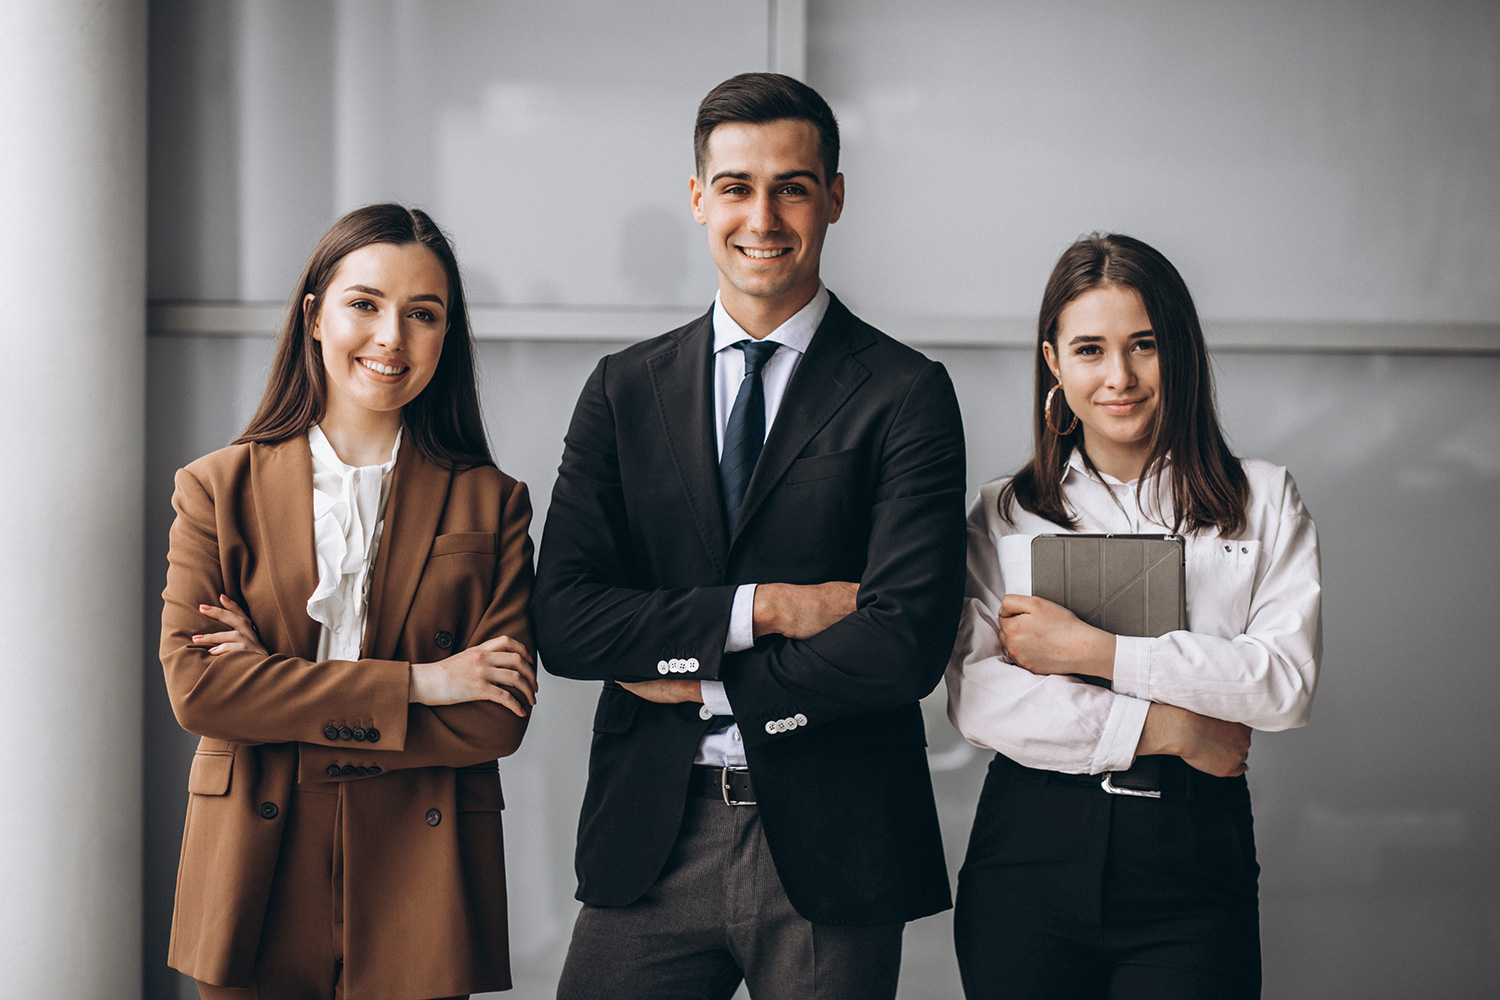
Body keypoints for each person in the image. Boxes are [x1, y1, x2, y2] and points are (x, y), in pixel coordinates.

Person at [533, 72, 967, 1000]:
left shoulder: (906, 393)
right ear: (698, 199)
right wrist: (767, 609)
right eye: (736, 186)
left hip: (833, 838)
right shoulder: (623, 390)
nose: (761, 216)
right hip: (653, 833)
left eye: (792, 186)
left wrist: (689, 663)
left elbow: (904, 644)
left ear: (835, 198)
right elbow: (567, 621)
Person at [159, 204, 538, 1000]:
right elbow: (201, 691)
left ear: (446, 334)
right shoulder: (216, 490)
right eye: (365, 304)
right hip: (253, 860)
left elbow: (496, 716)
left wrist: (274, 686)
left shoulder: (492, 504)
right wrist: (420, 684)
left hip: (420, 867)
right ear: (314, 316)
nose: (392, 337)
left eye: (422, 314)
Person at [945, 233, 1322, 999]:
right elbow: (980, 697)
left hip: (1192, 856)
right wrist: (1174, 728)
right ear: (1053, 363)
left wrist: (1096, 651)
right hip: (1029, 853)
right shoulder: (1005, 514)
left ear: (1178, 352)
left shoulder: (1263, 500)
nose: (1119, 377)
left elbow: (1282, 685)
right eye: (1090, 349)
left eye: (1143, 346)